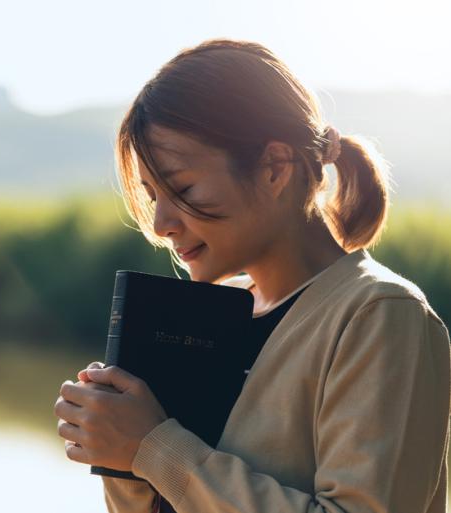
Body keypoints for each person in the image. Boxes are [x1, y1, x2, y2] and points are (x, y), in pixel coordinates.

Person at [52, 38, 450, 513]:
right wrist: (119, 454)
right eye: (152, 195)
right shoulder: (213, 313)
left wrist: (154, 449)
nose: (160, 224)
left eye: (181, 188)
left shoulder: (380, 315)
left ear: (274, 167)